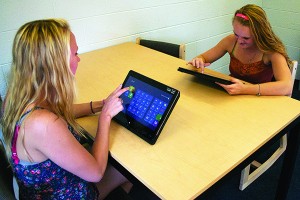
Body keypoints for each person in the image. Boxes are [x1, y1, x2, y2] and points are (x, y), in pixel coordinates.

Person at [1, 19, 132, 199]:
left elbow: (60, 112)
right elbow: (96, 172)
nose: (79, 58)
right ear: (56, 63)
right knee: (129, 171)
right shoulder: (43, 124)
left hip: (38, 190)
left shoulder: (16, 97)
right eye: (75, 53)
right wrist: (106, 117)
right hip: (70, 194)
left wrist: (100, 105)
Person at [188, 4, 293, 96]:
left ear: (259, 35)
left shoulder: (271, 51)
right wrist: (199, 60)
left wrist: (246, 89)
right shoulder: (230, 41)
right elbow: (204, 57)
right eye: (236, 34)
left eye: (246, 38)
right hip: (233, 95)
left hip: (260, 99)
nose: (239, 41)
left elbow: (287, 86)